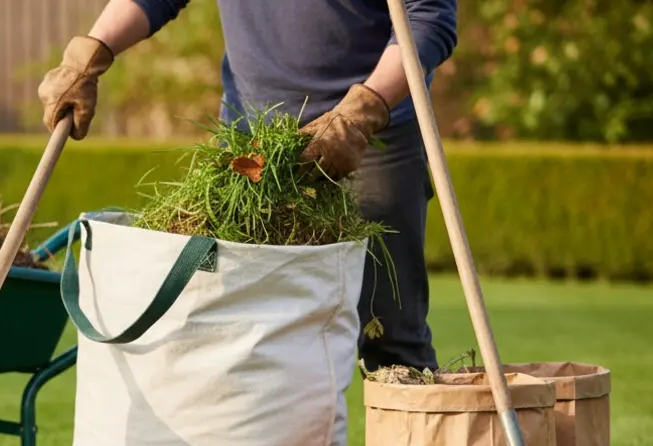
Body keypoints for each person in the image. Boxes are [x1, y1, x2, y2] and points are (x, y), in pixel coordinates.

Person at [38, 0, 458, 371]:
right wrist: (89, 54)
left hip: (370, 137)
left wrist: (362, 112)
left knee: (389, 335)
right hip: (251, 140)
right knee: (236, 325)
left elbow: (427, 17)